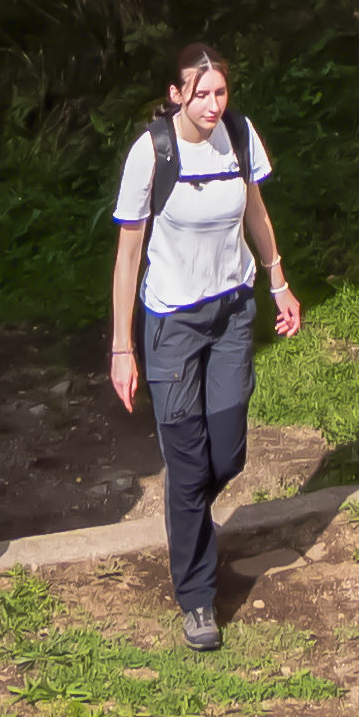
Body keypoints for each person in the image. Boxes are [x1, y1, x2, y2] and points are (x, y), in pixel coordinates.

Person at [107, 36, 300, 650]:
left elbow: (257, 214)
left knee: (229, 454)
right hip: (170, 325)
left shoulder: (239, 137)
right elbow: (129, 255)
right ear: (176, 95)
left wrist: (279, 283)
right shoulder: (153, 153)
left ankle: (185, 513)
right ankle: (197, 600)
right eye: (201, 94)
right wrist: (122, 347)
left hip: (231, 314)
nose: (213, 104)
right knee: (189, 469)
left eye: (220, 92)